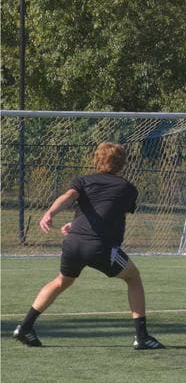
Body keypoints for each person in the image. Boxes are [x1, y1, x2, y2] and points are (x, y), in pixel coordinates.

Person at [13, 142, 164, 350]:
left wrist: (50, 214)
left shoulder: (83, 181)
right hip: (100, 247)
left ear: (96, 160)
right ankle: (142, 336)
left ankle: (25, 327)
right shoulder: (127, 188)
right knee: (133, 277)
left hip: (73, 242)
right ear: (122, 164)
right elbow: (110, 211)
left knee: (61, 281)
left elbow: (70, 197)